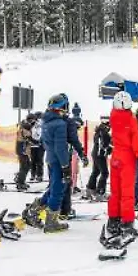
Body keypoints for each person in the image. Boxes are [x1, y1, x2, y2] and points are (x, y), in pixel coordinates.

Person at [24, 94, 87, 232]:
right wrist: (65, 166)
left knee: (54, 188)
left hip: (51, 160)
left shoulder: (46, 122)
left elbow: (45, 143)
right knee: (58, 191)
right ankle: (51, 222)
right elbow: (60, 147)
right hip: (59, 161)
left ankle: (34, 210)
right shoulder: (60, 124)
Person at [101, 92, 138, 245]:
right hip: (127, 157)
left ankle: (113, 221)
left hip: (116, 157)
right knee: (127, 192)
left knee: (115, 192)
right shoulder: (131, 119)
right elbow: (135, 138)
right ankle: (127, 224)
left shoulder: (113, 117)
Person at [86, 115, 112, 201]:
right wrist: (109, 148)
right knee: (105, 173)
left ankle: (90, 189)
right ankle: (100, 192)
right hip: (100, 154)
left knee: (96, 171)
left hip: (96, 153)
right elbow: (103, 144)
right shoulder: (103, 132)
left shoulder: (99, 131)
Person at [14, 116, 34, 190]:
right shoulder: (25, 130)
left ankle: (21, 180)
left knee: (27, 165)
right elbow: (30, 139)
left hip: (23, 150)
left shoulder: (23, 128)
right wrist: (38, 142)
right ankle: (20, 182)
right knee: (24, 166)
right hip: (22, 150)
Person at [29, 112, 45, 182]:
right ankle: (33, 174)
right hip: (33, 144)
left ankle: (39, 175)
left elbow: (43, 133)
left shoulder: (43, 124)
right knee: (33, 160)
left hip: (40, 145)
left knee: (39, 161)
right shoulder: (31, 124)